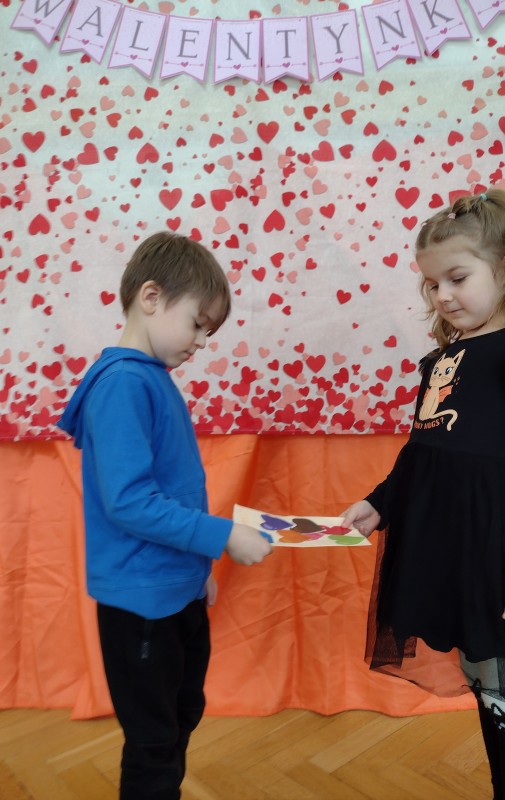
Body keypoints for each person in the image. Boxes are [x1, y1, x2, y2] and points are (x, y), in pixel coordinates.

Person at [342, 189, 505, 800]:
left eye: (457, 278)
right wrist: (379, 502)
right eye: (432, 284)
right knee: (487, 686)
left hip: (496, 557)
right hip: (444, 549)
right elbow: (422, 454)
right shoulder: (441, 361)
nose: (442, 295)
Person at [58, 232, 272, 800]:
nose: (201, 342)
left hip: (173, 589)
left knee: (180, 716)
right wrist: (222, 537)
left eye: (209, 332)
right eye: (197, 324)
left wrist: (196, 570)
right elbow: (129, 501)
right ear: (151, 297)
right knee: (154, 742)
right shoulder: (124, 384)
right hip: (141, 604)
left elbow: (171, 490)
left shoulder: (149, 377)